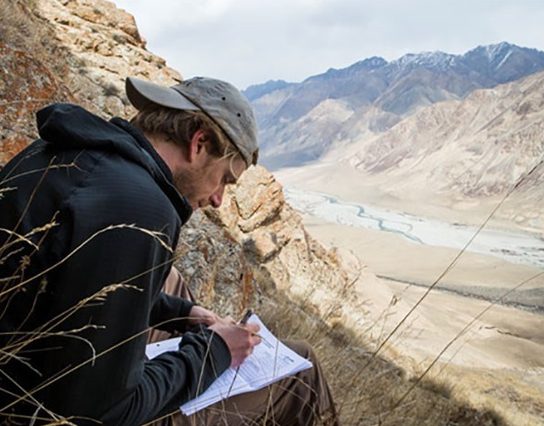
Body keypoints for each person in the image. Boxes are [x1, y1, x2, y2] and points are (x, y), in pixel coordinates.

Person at [0, 75, 339, 425]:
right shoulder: (140, 209)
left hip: (22, 365)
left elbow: (73, 281)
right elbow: (104, 412)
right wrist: (215, 351)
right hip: (32, 410)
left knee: (172, 281)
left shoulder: (65, 152)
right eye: (225, 178)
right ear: (199, 143)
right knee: (301, 370)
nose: (219, 200)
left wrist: (183, 314)